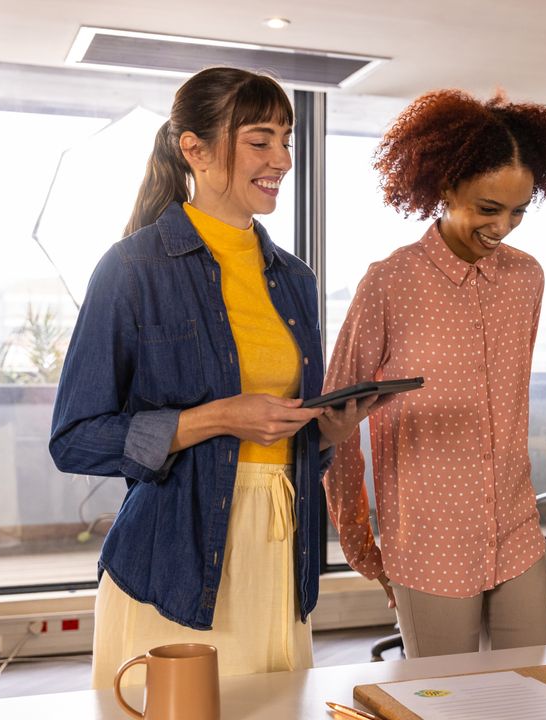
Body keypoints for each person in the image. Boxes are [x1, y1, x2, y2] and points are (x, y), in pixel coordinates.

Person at [49, 67, 368, 687]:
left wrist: (326, 433)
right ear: (194, 149)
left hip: (281, 555)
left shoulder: (295, 279)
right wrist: (218, 418)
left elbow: (289, 444)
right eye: (259, 141)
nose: (282, 159)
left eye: (286, 140)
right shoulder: (131, 269)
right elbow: (75, 440)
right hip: (173, 560)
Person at [322, 89, 546, 658]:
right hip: (429, 538)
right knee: (443, 697)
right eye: (488, 209)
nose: (503, 227)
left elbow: (512, 403)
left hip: (516, 528)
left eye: (518, 211)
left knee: (531, 688)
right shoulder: (389, 282)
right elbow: (334, 422)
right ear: (445, 187)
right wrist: (361, 541)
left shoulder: (527, 278)